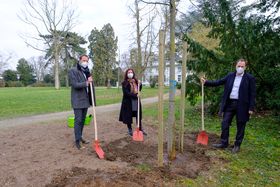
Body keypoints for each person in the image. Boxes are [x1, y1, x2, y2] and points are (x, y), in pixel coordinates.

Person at [201, 59, 256, 153]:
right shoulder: (230, 76)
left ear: (245, 67)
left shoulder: (250, 78)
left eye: (242, 66)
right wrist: (206, 82)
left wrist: (251, 108)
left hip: (242, 105)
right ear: (236, 66)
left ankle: (237, 145)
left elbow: (252, 94)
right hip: (230, 104)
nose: (240, 68)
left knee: (241, 125)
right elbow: (218, 82)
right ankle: (224, 143)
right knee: (225, 123)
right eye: (239, 66)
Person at [68, 54, 96, 150]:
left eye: (87, 61)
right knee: (78, 120)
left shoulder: (87, 71)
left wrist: (90, 82)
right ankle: (77, 141)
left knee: (83, 120)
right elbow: (74, 84)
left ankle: (80, 137)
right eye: (84, 60)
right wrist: (86, 83)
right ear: (79, 60)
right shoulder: (73, 71)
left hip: (85, 100)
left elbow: (90, 85)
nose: (85, 62)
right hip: (78, 100)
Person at [119, 68, 147, 136]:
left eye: (131, 72)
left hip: (136, 101)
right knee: (128, 116)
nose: (130, 73)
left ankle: (140, 129)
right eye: (129, 72)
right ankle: (130, 130)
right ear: (126, 74)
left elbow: (139, 89)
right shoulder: (124, 83)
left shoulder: (136, 81)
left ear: (133, 73)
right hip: (128, 102)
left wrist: (140, 84)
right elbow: (126, 93)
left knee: (138, 115)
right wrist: (135, 95)